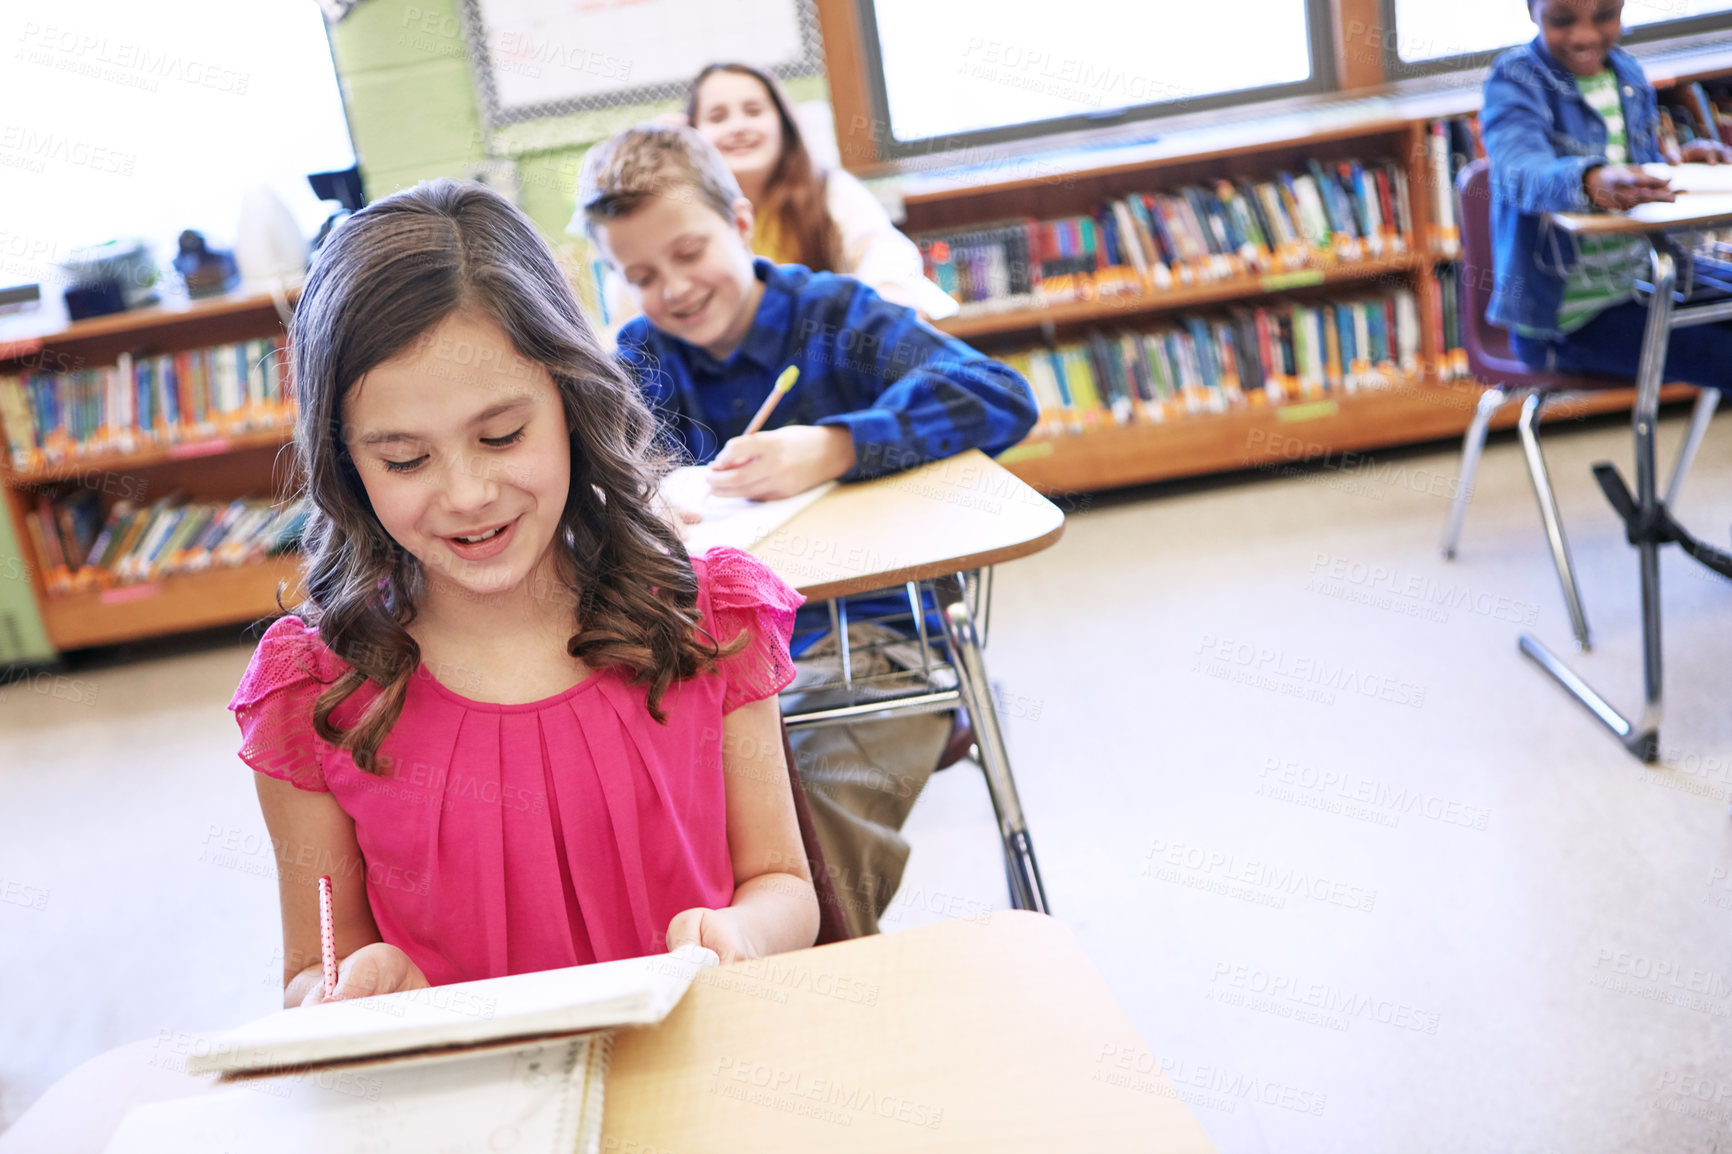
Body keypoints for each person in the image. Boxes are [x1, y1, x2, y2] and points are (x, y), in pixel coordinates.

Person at [229, 179, 819, 1008]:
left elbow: (782, 882)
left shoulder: (706, 617)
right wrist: (358, 987)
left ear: (571, 402)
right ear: (347, 463)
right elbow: (313, 968)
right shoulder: (313, 690)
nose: (467, 493)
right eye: (404, 459)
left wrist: (742, 933)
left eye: (502, 436)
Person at [575, 123, 1038, 936]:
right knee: (645, 837)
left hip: (870, 648)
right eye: (641, 274)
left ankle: (807, 999)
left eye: (689, 252)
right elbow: (589, 484)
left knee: (811, 834)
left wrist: (835, 445)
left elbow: (998, 393)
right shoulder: (636, 359)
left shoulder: (836, 315)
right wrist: (641, 499)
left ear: (741, 223)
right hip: (701, 670)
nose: (675, 288)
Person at [1483, 0, 1732, 379]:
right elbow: (1519, 173)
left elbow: (1634, 170)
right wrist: (1589, 181)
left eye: (1604, 16)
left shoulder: (1627, 73)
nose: (1584, 35)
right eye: (1562, 20)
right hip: (1568, 322)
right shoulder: (1515, 78)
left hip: (1648, 280)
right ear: (1532, 8)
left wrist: (1676, 166)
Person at [685, 61, 958, 320]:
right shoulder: (682, 210)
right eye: (717, 117)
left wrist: (889, 295)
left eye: (754, 111)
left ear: (784, 124)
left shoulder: (831, 189)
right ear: (691, 132)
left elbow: (883, 247)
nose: (738, 128)